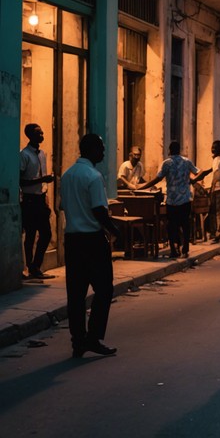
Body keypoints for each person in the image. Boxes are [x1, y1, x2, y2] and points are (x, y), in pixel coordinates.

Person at [60, 133, 121, 358]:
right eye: (101, 149)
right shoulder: (93, 177)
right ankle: (93, 338)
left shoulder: (67, 176)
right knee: (104, 289)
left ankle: (78, 341)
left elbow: (63, 206)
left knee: (75, 294)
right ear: (92, 150)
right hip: (93, 240)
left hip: (73, 240)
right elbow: (99, 211)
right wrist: (114, 230)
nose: (104, 153)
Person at [147, 141, 200, 257]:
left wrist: (144, 186)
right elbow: (197, 173)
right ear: (179, 149)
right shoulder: (187, 162)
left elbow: (158, 179)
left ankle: (173, 249)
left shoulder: (166, 163)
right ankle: (185, 247)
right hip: (185, 199)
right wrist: (191, 181)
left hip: (172, 200)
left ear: (169, 150)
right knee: (185, 224)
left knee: (172, 226)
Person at [19, 123, 55, 279]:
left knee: (46, 234)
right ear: (30, 136)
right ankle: (30, 267)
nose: (42, 135)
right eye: (38, 133)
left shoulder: (42, 154)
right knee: (31, 235)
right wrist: (42, 179)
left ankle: (36, 266)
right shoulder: (24, 155)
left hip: (40, 199)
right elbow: (20, 181)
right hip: (29, 200)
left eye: (42, 133)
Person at [197, 140, 220, 243]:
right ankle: (216, 231)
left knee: (218, 210)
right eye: (212, 147)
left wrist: (213, 187)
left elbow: (218, 175)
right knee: (214, 210)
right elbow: (211, 170)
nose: (212, 149)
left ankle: (219, 232)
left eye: (215, 148)